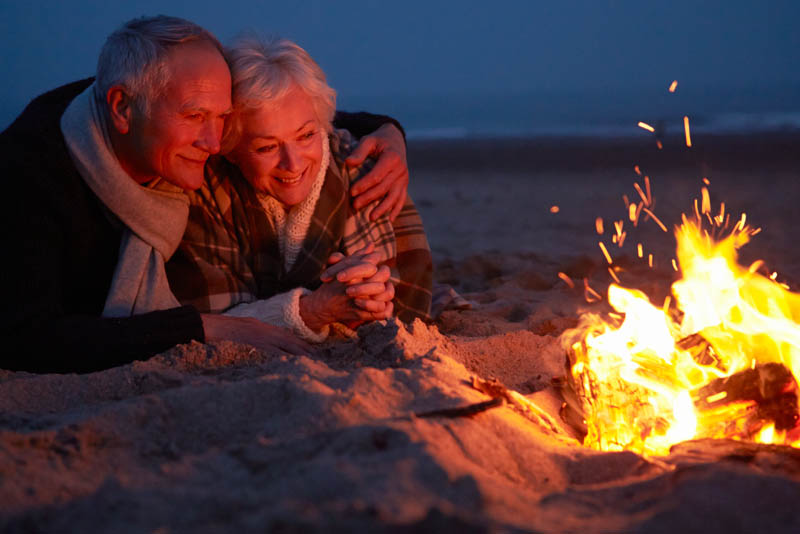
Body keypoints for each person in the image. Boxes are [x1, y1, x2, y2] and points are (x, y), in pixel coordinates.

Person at [0, 16, 411, 373]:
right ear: (122, 110)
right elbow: (23, 337)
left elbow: (283, 113)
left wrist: (386, 128)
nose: (215, 143)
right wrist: (202, 328)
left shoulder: (147, 115)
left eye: (221, 118)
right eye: (195, 117)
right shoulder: (30, 178)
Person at [166, 36, 433, 342]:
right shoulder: (204, 190)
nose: (292, 164)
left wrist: (368, 295)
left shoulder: (369, 173)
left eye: (306, 135)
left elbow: (411, 298)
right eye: (267, 147)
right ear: (230, 147)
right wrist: (314, 309)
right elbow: (208, 320)